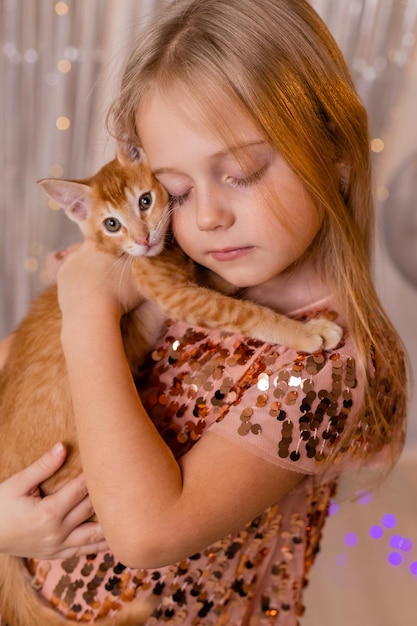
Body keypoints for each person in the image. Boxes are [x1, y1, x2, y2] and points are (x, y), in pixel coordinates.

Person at [0, 0, 408, 624]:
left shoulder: (331, 364)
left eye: (241, 173)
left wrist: (85, 309)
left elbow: (144, 534)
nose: (207, 216)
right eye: (179, 192)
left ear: (334, 149)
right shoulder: (190, 278)